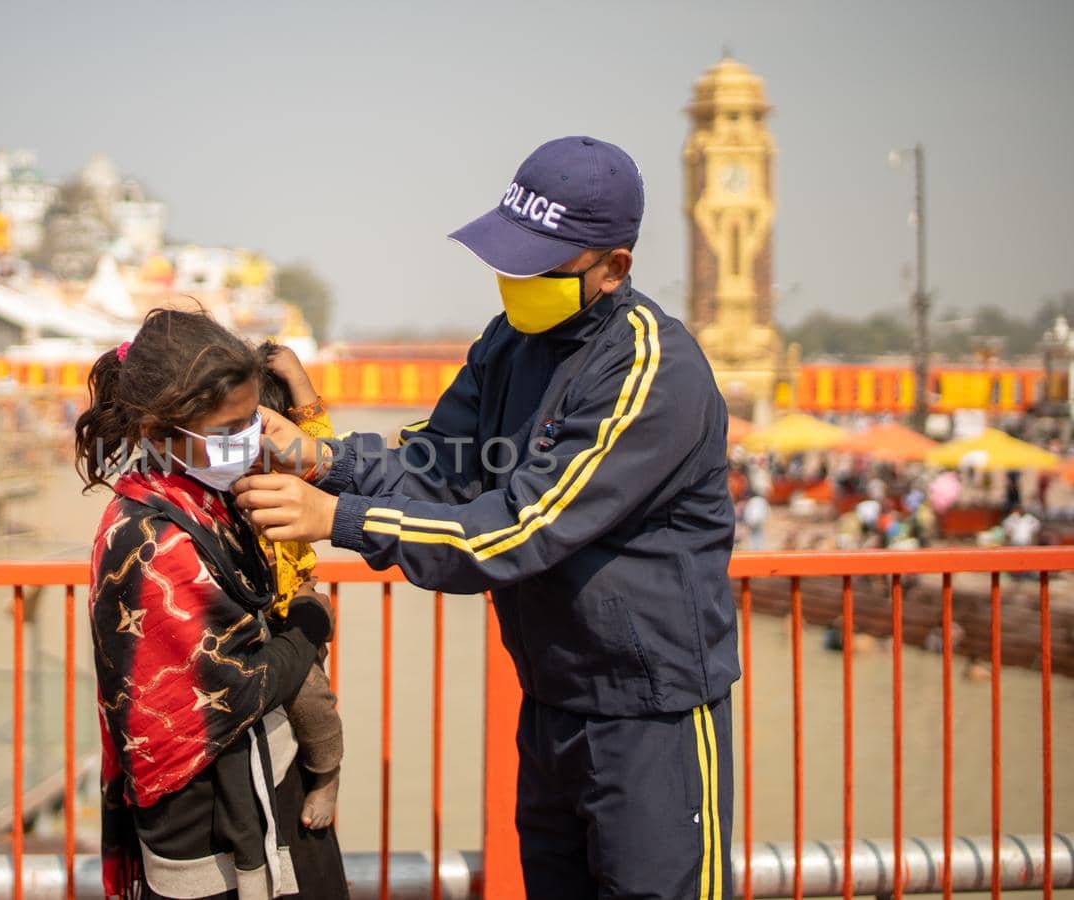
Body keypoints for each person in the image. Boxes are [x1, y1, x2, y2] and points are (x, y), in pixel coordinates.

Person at [236, 136, 738, 899]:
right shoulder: (511, 341)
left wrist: (334, 517)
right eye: (510, 259)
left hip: (650, 713)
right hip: (551, 699)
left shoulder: (648, 368)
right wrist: (321, 459)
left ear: (614, 267)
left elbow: (517, 529)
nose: (516, 280)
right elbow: (438, 465)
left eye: (541, 267)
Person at [74, 308, 347, 899]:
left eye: (252, 420)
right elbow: (233, 686)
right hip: (208, 825)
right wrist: (308, 627)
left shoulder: (206, 495)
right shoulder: (150, 540)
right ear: (158, 432)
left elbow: (321, 462)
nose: (247, 440)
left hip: (263, 780)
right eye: (228, 430)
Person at [258, 342, 346, 830]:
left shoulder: (293, 467)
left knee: (310, 699)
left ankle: (327, 771)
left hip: (292, 611)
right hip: (243, 619)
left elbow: (320, 437)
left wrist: (295, 374)